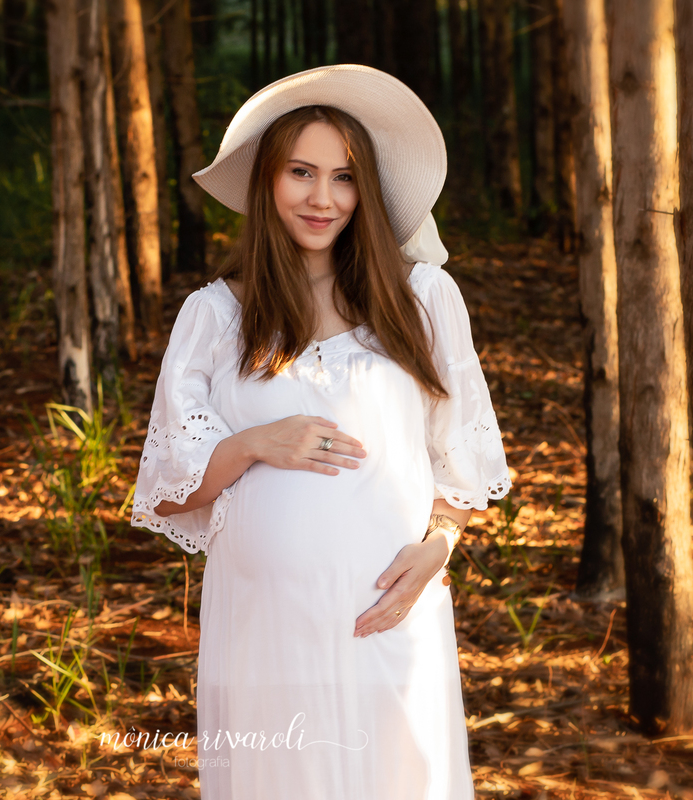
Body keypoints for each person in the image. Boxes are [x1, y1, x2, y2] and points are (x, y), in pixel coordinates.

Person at [129, 65, 511, 800]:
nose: (322, 198)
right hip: (267, 627)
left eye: (343, 177)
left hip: (390, 614)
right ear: (267, 181)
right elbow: (167, 492)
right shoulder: (216, 316)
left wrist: (440, 548)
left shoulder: (422, 299)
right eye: (301, 172)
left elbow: (461, 461)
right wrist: (251, 445)